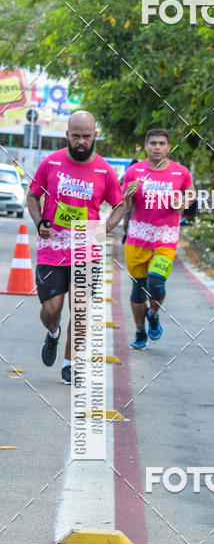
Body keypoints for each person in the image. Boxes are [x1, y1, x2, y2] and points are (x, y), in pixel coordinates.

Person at [26, 110, 125, 384]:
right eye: (76, 136)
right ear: (67, 135)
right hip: (52, 249)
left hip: (86, 250)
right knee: (51, 310)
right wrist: (39, 221)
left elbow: (120, 205)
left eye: (86, 136)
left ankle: (70, 363)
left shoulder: (104, 170)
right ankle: (53, 332)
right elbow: (32, 196)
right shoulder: (51, 163)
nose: (81, 142)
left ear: (95, 136)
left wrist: (105, 227)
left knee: (80, 310)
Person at [122, 129, 193, 349]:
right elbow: (124, 206)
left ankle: (153, 313)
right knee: (138, 290)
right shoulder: (134, 172)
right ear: (146, 146)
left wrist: (181, 204)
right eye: (153, 143)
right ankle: (140, 331)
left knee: (156, 281)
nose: (157, 147)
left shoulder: (180, 172)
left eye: (162, 143)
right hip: (137, 239)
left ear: (168, 147)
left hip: (165, 238)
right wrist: (127, 196)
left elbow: (190, 194)